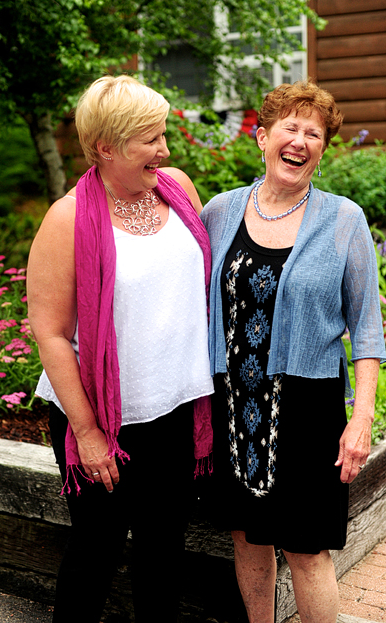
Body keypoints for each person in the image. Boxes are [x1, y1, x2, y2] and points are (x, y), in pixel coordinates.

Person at [27, 75, 214, 622]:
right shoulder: (67, 219)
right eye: (151, 140)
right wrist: (87, 434)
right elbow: (51, 333)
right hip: (103, 418)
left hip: (177, 407)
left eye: (163, 135)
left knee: (164, 555)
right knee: (95, 554)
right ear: (106, 147)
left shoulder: (176, 187)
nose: (166, 150)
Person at [201, 80, 386, 623]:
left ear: (323, 148)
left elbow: (368, 330)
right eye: (290, 127)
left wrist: (362, 418)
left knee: (307, 549)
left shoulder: (344, 220)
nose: (301, 140)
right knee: (247, 536)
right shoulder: (219, 212)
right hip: (233, 404)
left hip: (307, 408)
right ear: (262, 137)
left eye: (315, 132)